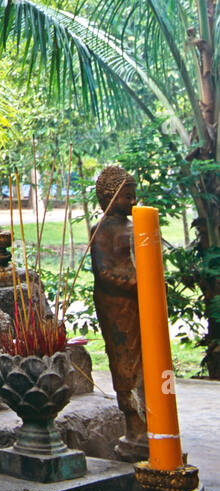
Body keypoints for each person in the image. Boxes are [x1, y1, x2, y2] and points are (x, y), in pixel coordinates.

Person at [90, 165, 150, 461]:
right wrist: (138, 283)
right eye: (128, 196)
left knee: (150, 361)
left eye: (134, 195)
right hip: (118, 306)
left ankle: (153, 423)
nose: (134, 202)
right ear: (111, 198)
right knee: (127, 363)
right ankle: (135, 428)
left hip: (141, 301)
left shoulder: (135, 226)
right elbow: (104, 273)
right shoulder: (102, 229)